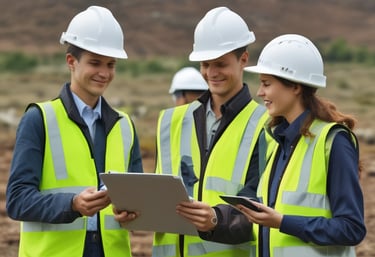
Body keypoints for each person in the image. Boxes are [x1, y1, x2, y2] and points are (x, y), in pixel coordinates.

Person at [177, 34, 367, 257]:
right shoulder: (278, 143)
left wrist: (283, 222)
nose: (260, 93)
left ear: (295, 87)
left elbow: (352, 228)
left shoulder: (333, 141)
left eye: (267, 84)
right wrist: (214, 218)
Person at [114, 6, 269, 257]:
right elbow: (159, 195)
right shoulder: (171, 121)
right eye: (205, 64)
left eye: (220, 64)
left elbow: (261, 208)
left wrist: (216, 220)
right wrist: (135, 212)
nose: (211, 73)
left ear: (243, 60)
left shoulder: (265, 125)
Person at [6, 6, 143, 257]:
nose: (104, 73)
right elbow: (17, 200)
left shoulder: (125, 126)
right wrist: (72, 204)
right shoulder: (39, 119)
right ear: (71, 61)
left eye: (110, 64)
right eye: (95, 63)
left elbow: (137, 199)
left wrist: (132, 213)